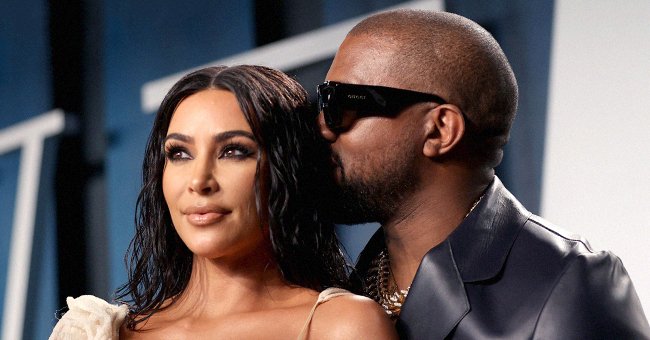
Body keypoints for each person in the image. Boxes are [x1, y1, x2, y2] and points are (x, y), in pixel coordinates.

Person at [316, 9, 650, 339]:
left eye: (342, 104)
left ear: (440, 130)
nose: (322, 128)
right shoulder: (337, 290)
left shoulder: (569, 283)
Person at [50, 65, 397, 339]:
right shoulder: (96, 333)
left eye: (234, 151)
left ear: (286, 171)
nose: (200, 181)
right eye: (180, 154)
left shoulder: (342, 328)